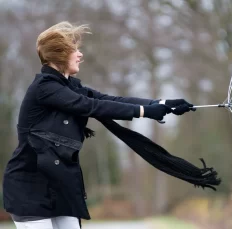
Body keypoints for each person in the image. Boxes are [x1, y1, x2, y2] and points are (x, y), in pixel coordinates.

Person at [2, 21, 195, 229]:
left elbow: (109, 99)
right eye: (74, 49)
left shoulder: (70, 86)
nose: (80, 54)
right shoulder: (45, 88)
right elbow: (90, 106)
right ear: (59, 54)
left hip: (60, 187)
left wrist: (161, 104)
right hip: (30, 189)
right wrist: (145, 112)